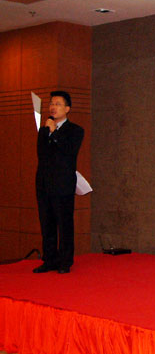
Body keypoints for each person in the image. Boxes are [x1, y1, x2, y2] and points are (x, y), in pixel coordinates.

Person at [33, 91, 84, 274]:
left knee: (64, 224)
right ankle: (49, 260)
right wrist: (48, 132)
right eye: (51, 104)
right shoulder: (43, 130)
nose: (53, 107)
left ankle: (65, 261)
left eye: (58, 104)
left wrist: (54, 132)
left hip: (63, 185)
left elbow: (68, 151)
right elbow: (42, 155)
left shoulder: (75, 130)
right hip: (44, 184)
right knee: (47, 224)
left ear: (67, 109)